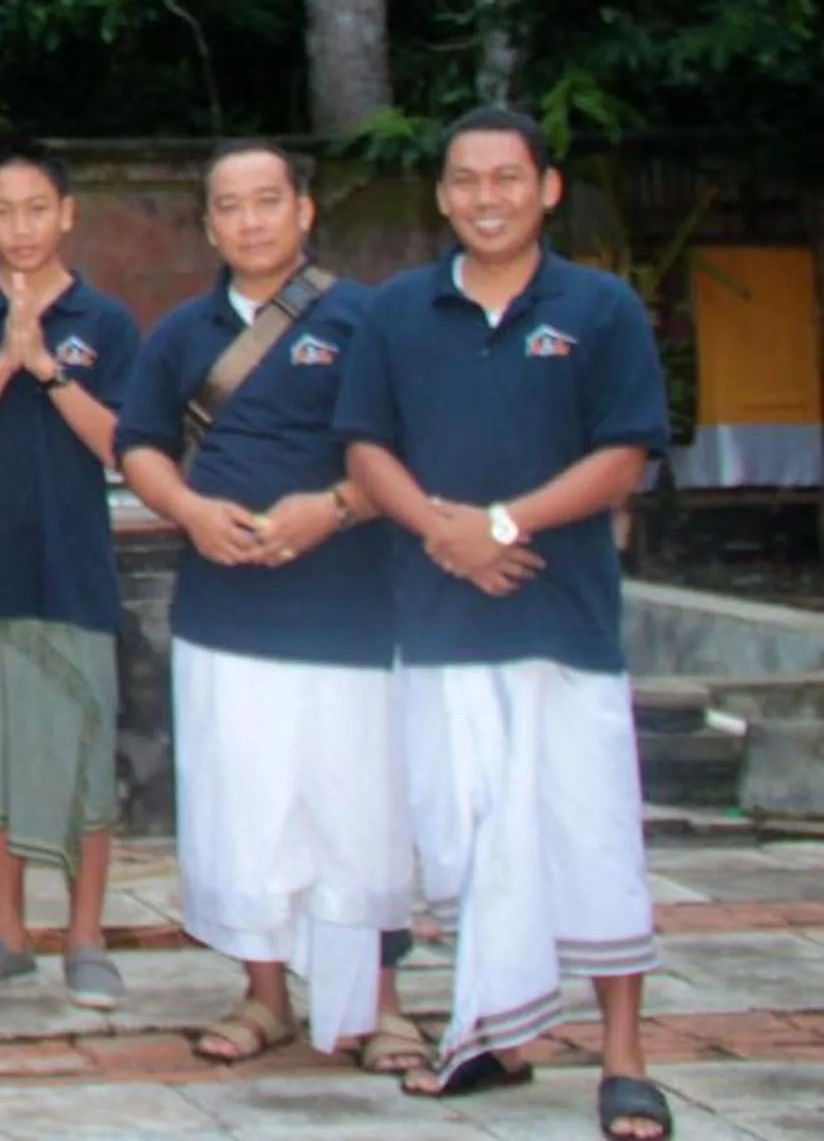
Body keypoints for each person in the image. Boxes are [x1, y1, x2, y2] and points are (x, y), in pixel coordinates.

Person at [337, 108, 673, 1141]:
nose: (487, 198)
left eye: (507, 179)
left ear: (546, 190)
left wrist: (503, 524)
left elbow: (626, 455)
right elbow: (363, 452)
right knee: (467, 838)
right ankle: (491, 1034)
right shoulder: (395, 312)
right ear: (442, 196)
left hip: (561, 625)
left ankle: (624, 1059)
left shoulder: (601, 308)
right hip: (436, 620)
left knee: (592, 832)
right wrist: (445, 532)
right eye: (466, 181)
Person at [116, 144, 417, 1072]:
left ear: (304, 210)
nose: (250, 222)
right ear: (209, 225)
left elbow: (412, 446)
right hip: (227, 614)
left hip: (351, 611)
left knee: (362, 809)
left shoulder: (370, 321)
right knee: (245, 807)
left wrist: (333, 508)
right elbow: (140, 447)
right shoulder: (181, 334)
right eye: (230, 208)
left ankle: (381, 1003)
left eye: (267, 202)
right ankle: (264, 994)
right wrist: (192, 511)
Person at [0, 136, 141, 1014]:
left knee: (84, 751)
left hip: (75, 567)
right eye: (2, 211)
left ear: (67, 213)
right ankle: (8, 934)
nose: (20, 228)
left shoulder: (107, 323)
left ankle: (85, 935)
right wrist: (7, 359)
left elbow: (123, 447)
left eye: (36, 209)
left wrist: (49, 369)